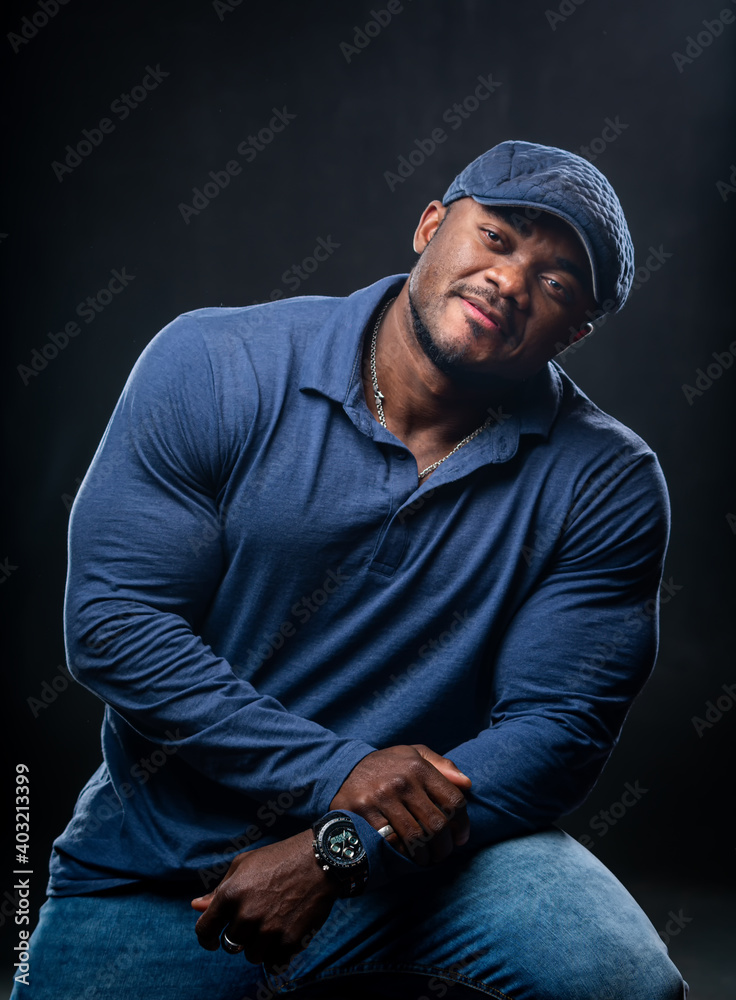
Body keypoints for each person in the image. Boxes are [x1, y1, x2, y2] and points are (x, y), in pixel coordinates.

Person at [14, 140, 688, 999]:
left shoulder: (609, 480)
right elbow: (115, 626)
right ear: (431, 226)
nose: (511, 282)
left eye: (556, 283)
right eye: (498, 237)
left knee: (623, 979)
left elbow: (556, 731)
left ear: (577, 332)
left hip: (428, 864)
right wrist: (339, 775)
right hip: (159, 869)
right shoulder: (216, 364)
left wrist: (342, 845)